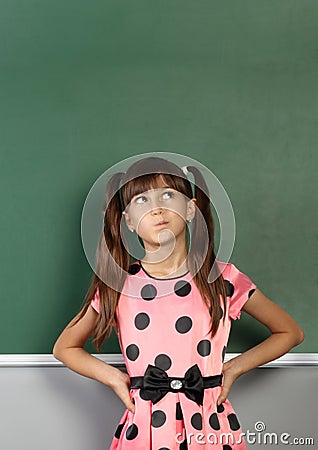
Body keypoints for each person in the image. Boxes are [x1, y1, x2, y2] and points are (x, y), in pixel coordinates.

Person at [53, 156, 304, 449]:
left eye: (168, 195)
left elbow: (290, 332)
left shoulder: (222, 277)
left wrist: (235, 368)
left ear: (189, 208)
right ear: (129, 222)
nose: (157, 207)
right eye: (142, 200)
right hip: (146, 427)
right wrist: (113, 377)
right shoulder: (119, 285)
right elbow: (64, 347)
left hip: (209, 424)